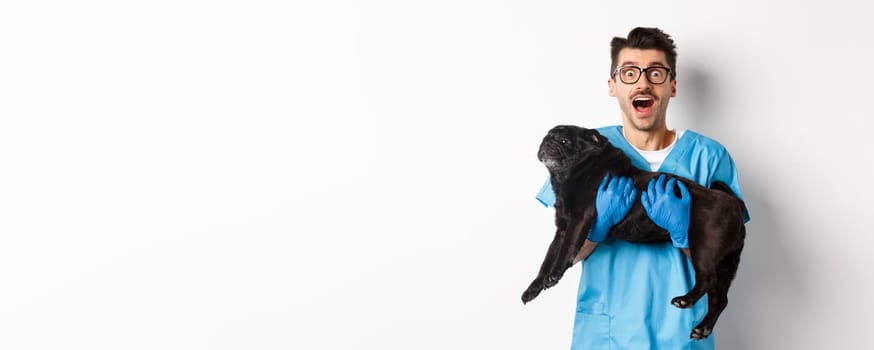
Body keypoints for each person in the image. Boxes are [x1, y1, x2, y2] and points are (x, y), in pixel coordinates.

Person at [535, 27, 751, 349]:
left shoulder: (709, 157)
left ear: (672, 86)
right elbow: (567, 249)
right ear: (613, 86)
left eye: (656, 72)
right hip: (607, 336)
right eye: (630, 72)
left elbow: (724, 259)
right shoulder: (582, 151)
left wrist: (684, 234)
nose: (643, 82)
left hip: (681, 335)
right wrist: (597, 228)